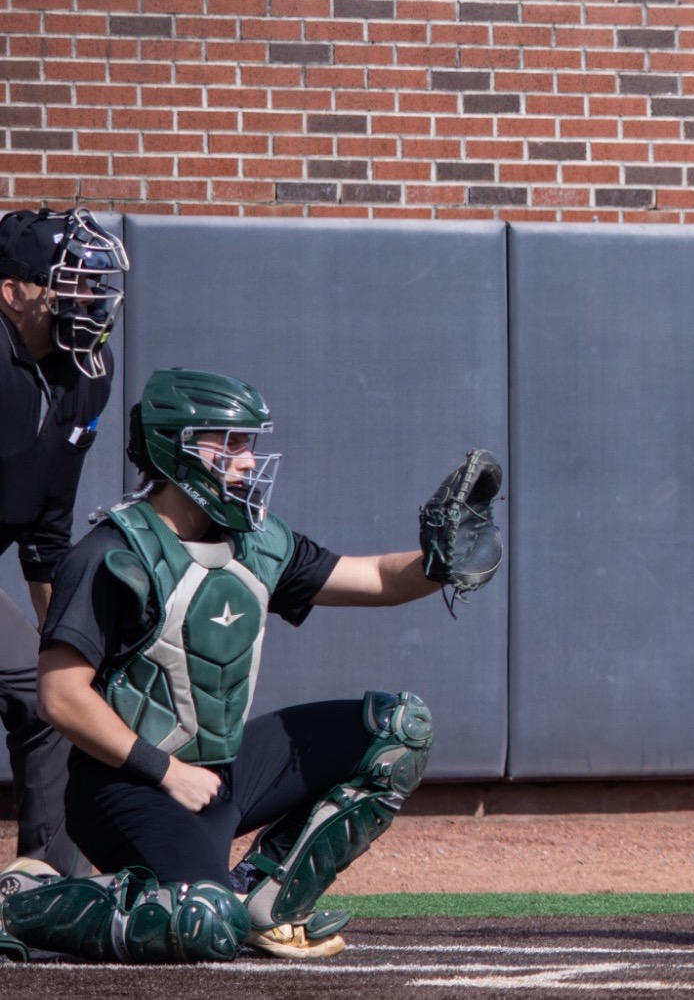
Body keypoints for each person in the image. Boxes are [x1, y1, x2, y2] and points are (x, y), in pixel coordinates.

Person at [0, 368, 499, 962]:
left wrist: (439, 560)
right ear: (174, 449)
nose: (244, 462)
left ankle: (266, 901)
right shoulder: (113, 554)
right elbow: (60, 696)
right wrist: (164, 772)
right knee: (202, 923)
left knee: (398, 730)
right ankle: (25, 901)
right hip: (126, 788)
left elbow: (377, 579)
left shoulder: (258, 543)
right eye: (226, 444)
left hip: (221, 775)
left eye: (248, 444)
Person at [0, 206, 127, 876]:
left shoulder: (87, 375)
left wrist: (63, 652)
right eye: (66, 280)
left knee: (48, 699)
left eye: (89, 280)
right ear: (12, 291)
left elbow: (47, 531)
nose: (87, 296)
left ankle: (42, 885)